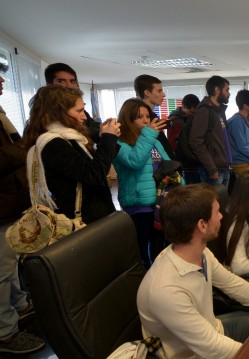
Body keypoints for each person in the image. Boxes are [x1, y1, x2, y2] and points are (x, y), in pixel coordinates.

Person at [137, 184, 249, 359]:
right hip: (192, 354)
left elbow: (232, 283)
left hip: (213, 330)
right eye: (217, 212)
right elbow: (211, 347)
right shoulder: (165, 290)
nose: (222, 215)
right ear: (202, 225)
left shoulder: (201, 252)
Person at [23, 85, 120, 224]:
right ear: (59, 112)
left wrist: (104, 137)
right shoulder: (53, 144)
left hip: (94, 215)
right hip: (82, 220)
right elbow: (95, 174)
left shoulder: (70, 138)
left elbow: (101, 164)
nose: (84, 116)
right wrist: (108, 139)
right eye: (79, 110)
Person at [0, 57, 45, 355]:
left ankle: (20, 308)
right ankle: (6, 333)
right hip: (0, 207)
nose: (2, 81)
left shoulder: (1, 113)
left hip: (10, 205)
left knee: (11, 266)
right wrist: (25, 149)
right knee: (1, 273)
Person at [113, 98, 170, 268]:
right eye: (139, 117)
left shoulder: (153, 140)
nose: (146, 120)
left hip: (159, 202)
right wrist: (149, 135)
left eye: (147, 116)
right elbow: (135, 161)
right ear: (128, 119)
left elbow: (167, 165)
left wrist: (179, 182)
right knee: (141, 249)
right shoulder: (119, 142)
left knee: (160, 246)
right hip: (138, 205)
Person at [189, 75, 232, 186]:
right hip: (213, 170)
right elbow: (196, 141)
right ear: (217, 90)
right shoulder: (204, 111)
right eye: (227, 90)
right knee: (212, 203)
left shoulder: (219, 111)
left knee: (222, 203)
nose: (229, 93)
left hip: (224, 167)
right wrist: (211, 168)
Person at [133, 74, 176, 161]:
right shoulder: (137, 120)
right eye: (159, 91)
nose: (163, 95)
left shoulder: (153, 117)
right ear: (147, 93)